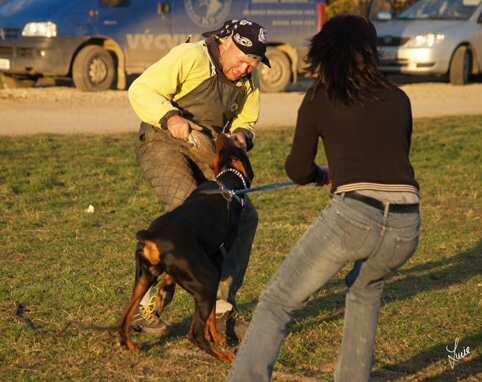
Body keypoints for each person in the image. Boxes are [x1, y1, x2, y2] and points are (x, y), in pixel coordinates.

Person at [228, 14, 421, 381]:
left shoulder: (319, 97)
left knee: (276, 302)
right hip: (406, 224)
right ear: (369, 50)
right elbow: (392, 159)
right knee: (365, 292)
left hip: (354, 217)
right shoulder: (399, 98)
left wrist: (323, 176)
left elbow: (298, 170)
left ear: (326, 50)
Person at [127, 19, 270, 341]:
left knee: (244, 215)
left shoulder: (248, 77)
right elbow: (141, 88)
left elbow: (247, 120)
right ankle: (145, 308)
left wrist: (243, 135)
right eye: (243, 61)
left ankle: (221, 308)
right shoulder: (190, 56)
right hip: (162, 141)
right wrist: (170, 116)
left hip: (207, 149)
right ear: (226, 45)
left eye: (254, 64)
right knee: (184, 210)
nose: (246, 69)